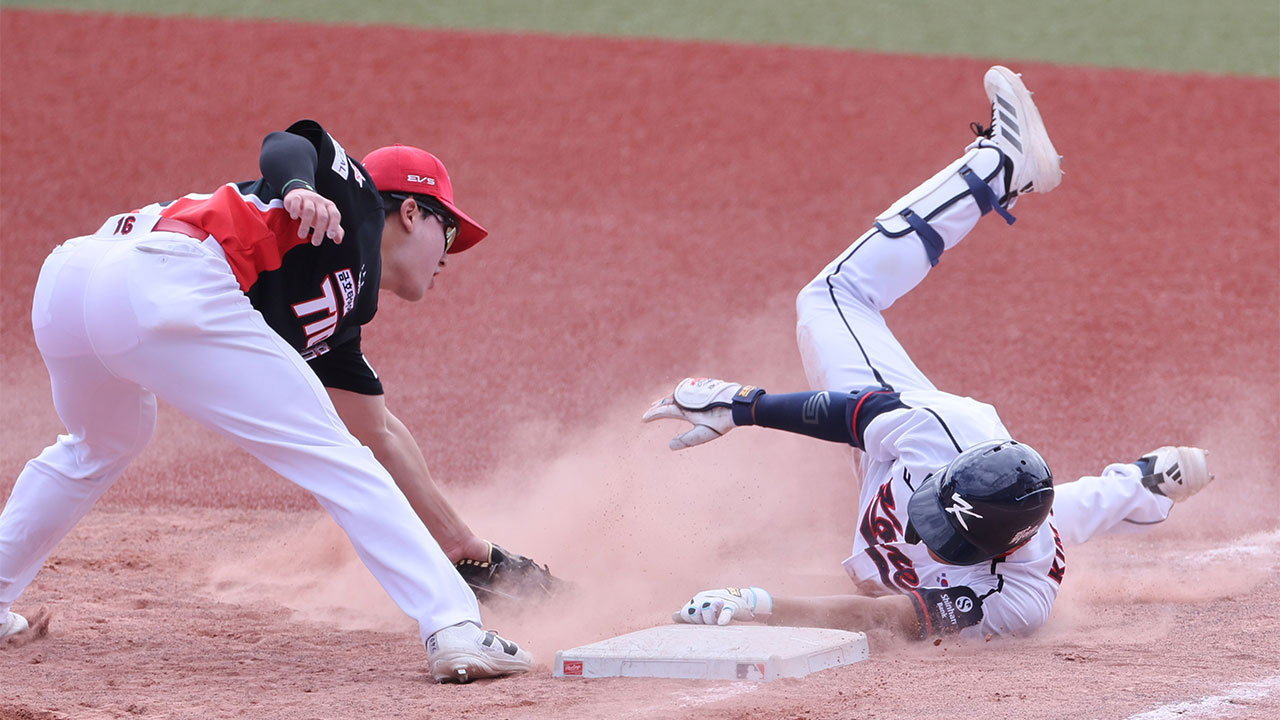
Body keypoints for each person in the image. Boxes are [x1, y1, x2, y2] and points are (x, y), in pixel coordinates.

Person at [642, 67, 1213, 640]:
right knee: (833, 296)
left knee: (1046, 514)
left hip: (994, 546)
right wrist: (745, 406)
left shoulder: (1019, 598)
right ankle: (999, 168)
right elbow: (851, 413)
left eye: (947, 534)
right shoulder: (944, 433)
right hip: (902, 463)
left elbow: (893, 618)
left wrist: (760, 603)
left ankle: (1143, 484)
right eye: (937, 515)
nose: (926, 531)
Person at [0, 120, 537, 682]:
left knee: (102, 442)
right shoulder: (355, 205)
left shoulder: (341, 316)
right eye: (447, 232)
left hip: (72, 282)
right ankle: (454, 625)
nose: (448, 255)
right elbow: (290, 142)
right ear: (408, 212)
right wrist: (299, 187)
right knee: (334, 456)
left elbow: (377, 433)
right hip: (165, 272)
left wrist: (459, 541)